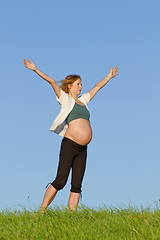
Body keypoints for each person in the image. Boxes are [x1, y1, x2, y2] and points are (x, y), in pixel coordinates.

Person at [23, 59, 118, 212]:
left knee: (77, 184)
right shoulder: (65, 100)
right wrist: (35, 69)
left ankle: (72, 215)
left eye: (81, 84)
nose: (81, 87)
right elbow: (52, 81)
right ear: (70, 86)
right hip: (70, 144)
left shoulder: (83, 101)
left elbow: (97, 87)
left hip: (83, 148)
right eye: (78, 84)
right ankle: (41, 211)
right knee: (61, 180)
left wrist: (109, 76)